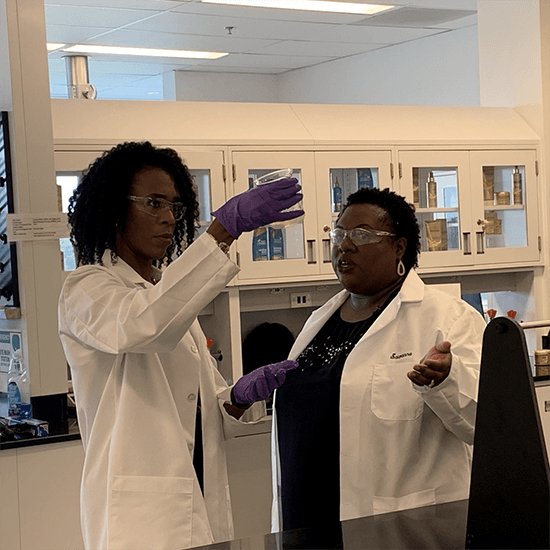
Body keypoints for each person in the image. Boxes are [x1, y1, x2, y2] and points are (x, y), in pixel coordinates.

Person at [58, 141, 301, 550]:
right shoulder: (87, 287)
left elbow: (198, 408)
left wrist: (237, 398)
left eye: (174, 206)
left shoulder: (163, 290)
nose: (168, 218)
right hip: (140, 517)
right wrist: (221, 232)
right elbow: (142, 324)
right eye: (152, 203)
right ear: (115, 206)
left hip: (200, 498)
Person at [271, 187, 486, 534]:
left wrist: (447, 380)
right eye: (338, 233)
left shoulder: (448, 318)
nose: (345, 244)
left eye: (362, 234)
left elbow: (484, 424)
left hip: (402, 528)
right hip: (305, 524)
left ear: (399, 247)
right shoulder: (318, 322)